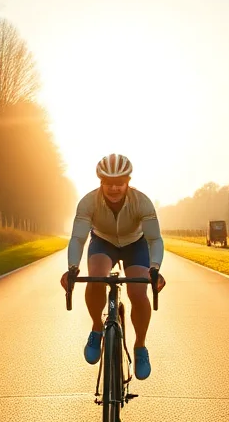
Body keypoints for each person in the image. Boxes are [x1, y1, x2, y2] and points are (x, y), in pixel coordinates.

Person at [60, 153, 167, 379]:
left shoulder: (142, 202)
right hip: (103, 241)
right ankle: (96, 328)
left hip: (135, 244)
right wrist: (72, 268)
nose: (114, 188)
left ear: (127, 181)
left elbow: (154, 239)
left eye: (119, 183)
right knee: (97, 277)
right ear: (101, 182)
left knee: (138, 292)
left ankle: (140, 346)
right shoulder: (88, 202)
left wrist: (155, 268)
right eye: (109, 183)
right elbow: (78, 238)